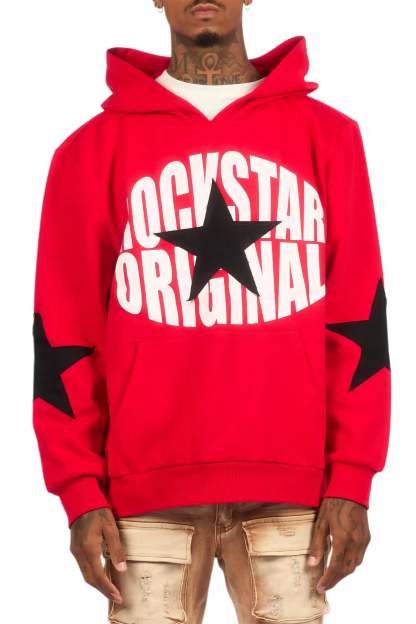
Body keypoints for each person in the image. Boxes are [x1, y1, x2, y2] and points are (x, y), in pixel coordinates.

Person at [32, 1, 391, 622]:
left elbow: (359, 316)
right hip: (143, 495)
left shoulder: (329, 136)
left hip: (293, 489)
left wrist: (353, 477)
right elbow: (63, 331)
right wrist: (79, 490)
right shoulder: (88, 151)